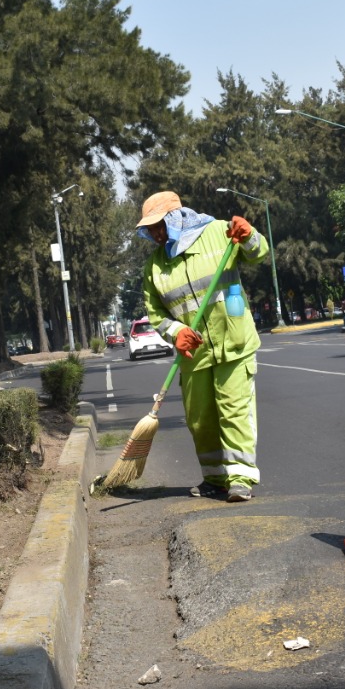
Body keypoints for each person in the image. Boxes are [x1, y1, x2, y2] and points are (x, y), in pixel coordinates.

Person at [137, 190, 270, 503]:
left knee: (233, 411)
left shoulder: (217, 232)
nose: (156, 233)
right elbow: (156, 314)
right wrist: (177, 332)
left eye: (160, 225)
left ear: (175, 218)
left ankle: (240, 478)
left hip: (233, 341)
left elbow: (258, 253)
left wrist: (249, 235)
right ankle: (215, 477)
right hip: (194, 354)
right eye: (150, 228)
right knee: (200, 419)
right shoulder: (155, 267)